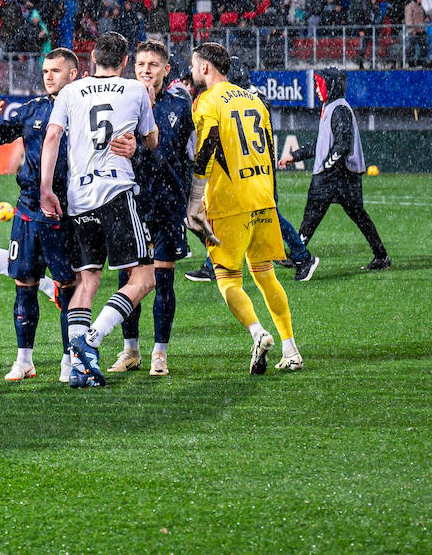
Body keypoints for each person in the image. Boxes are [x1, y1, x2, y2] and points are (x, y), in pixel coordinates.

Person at [39, 31, 158, 389]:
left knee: (86, 280)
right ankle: (90, 340)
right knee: (144, 278)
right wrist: (139, 131)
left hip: (79, 198)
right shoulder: (136, 90)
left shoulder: (71, 92)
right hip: (116, 193)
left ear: (91, 58)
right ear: (124, 62)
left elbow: (52, 137)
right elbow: (151, 141)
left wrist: (47, 190)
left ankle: (78, 368)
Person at [189, 42, 303, 373]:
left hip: (229, 202)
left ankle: (258, 332)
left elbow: (208, 147)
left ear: (207, 68)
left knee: (228, 282)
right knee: (265, 275)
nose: (194, 71)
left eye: (196, 66)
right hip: (262, 197)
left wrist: (195, 199)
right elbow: (268, 149)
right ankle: (291, 349)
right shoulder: (254, 99)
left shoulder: (207, 101)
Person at [0, 48, 82, 383]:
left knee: (69, 286)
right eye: (45, 71)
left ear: (73, 74)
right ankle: (24, 361)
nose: (48, 76)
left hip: (66, 211)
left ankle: (70, 359)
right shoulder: (33, 109)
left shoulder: (83, 110)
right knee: (24, 283)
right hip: (27, 209)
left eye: (55, 70)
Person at [107, 40, 193, 377]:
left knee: (162, 279)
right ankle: (130, 350)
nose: (145, 69)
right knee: (127, 279)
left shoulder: (179, 109)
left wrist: (189, 198)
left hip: (166, 205)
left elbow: (182, 158)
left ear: (166, 70)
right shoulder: (121, 103)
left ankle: (160, 353)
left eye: (153, 65)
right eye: (141, 64)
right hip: (129, 203)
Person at [279, 69, 390, 271]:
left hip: (336, 174)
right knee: (355, 215)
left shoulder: (338, 108)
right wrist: (294, 156)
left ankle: (298, 254)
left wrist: (327, 166)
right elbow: (321, 144)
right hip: (343, 174)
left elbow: (342, 144)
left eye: (319, 83)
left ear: (329, 85)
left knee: (313, 213)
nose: (316, 88)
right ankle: (381, 256)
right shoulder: (332, 107)